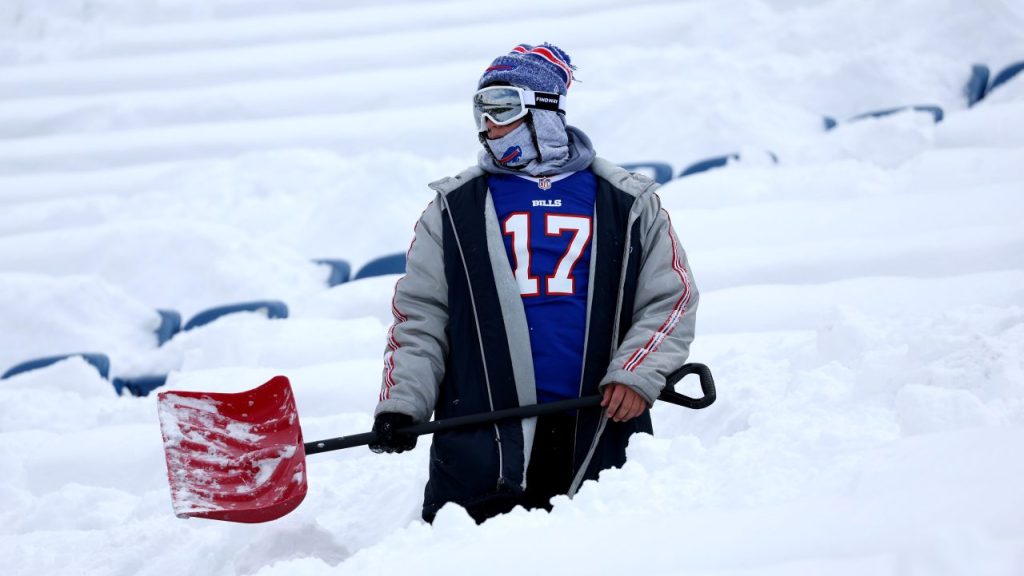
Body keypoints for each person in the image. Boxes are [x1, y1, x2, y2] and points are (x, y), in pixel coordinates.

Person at [369, 42, 698, 524]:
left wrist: (636, 373)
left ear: (545, 110)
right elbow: (420, 318)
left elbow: (672, 297)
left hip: (599, 423)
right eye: (480, 110)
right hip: (481, 437)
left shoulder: (627, 201)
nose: (488, 125)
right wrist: (402, 405)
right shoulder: (452, 208)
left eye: (501, 105)